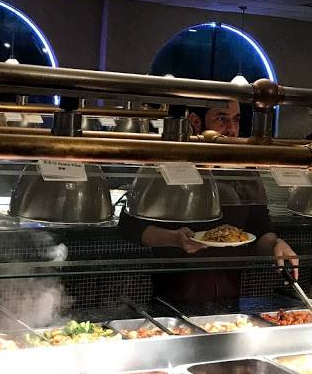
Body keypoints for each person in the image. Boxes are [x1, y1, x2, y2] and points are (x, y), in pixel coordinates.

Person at [119, 100, 299, 303]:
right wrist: (174, 239)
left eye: (236, 120)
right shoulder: (172, 164)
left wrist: (275, 245)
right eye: (222, 119)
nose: (231, 129)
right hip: (175, 292)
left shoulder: (244, 170)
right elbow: (129, 226)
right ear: (195, 121)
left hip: (229, 293)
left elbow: (259, 228)